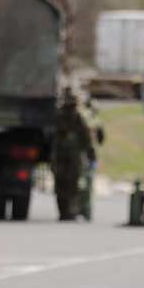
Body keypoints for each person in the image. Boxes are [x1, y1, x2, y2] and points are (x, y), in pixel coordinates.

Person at [52, 87, 94, 221]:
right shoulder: (60, 117)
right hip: (63, 157)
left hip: (71, 158)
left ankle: (68, 211)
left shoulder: (76, 118)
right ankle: (65, 211)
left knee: (69, 185)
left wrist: (90, 152)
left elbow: (85, 138)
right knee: (64, 185)